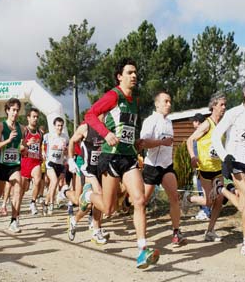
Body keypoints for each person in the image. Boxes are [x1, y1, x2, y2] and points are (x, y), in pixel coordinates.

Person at [84, 57, 159, 269]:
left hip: (128, 155)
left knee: (139, 199)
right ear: (120, 76)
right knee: (109, 209)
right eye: (129, 72)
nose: (134, 76)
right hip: (111, 156)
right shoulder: (113, 95)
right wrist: (106, 133)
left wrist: (134, 140)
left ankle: (142, 251)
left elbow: (127, 127)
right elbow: (90, 115)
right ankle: (88, 195)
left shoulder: (134, 100)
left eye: (135, 72)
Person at [211, 80, 245, 257]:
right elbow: (215, 136)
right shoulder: (234, 113)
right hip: (234, 162)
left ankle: (222, 190)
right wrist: (225, 157)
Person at [140, 90, 186, 247]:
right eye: (166, 101)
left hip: (167, 166)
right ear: (157, 103)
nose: (169, 104)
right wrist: (161, 142)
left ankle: (176, 232)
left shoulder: (169, 122)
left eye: (170, 101)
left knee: (174, 197)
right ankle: (141, 236)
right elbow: (143, 142)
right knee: (141, 202)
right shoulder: (150, 120)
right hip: (152, 166)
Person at [186, 93, 227, 242]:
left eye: (225, 105)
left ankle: (210, 231)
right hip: (205, 169)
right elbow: (190, 140)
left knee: (219, 199)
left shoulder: (222, 125)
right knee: (209, 202)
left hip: (217, 169)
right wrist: (193, 157)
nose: (224, 107)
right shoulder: (207, 124)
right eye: (221, 104)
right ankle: (189, 198)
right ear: (213, 106)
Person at [66, 117, 108, 245]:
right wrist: (70, 159)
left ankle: (74, 220)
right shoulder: (86, 127)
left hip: (100, 168)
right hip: (86, 168)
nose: (105, 116)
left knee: (91, 204)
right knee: (99, 193)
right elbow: (72, 141)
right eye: (103, 112)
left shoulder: (108, 127)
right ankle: (96, 230)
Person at [0, 98, 26, 232]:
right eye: (13, 110)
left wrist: (25, 147)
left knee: (18, 188)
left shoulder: (21, 128)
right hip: (1, 165)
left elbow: (21, 145)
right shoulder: (1, 126)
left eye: (17, 110)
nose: (15, 113)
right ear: (7, 111)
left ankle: (13, 220)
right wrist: (9, 139)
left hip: (14, 165)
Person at [20, 108, 44, 215]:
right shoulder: (24, 131)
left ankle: (33, 202)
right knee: (24, 189)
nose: (35, 119)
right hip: (25, 162)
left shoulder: (40, 133)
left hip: (35, 162)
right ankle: (18, 203)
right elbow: (19, 147)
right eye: (33, 117)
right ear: (28, 118)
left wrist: (41, 154)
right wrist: (27, 144)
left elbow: (40, 146)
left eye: (37, 117)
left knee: (38, 180)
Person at [43, 117, 68, 215]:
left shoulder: (65, 137)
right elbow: (42, 146)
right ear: (54, 126)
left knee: (53, 186)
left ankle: (45, 203)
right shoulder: (48, 136)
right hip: (50, 163)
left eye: (61, 126)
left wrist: (66, 153)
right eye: (58, 125)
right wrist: (43, 153)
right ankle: (51, 204)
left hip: (60, 164)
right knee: (53, 181)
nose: (60, 128)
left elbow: (67, 151)